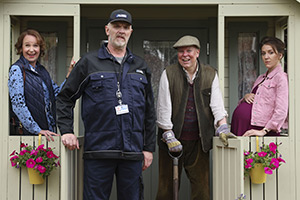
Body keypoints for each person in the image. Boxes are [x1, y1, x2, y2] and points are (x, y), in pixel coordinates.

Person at [56, 9, 156, 200]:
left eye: (125, 27)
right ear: (107, 30)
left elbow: (149, 110)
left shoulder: (140, 66)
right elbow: (65, 98)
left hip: (132, 151)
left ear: (130, 32)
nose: (121, 31)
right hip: (99, 151)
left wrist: (148, 147)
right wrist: (66, 130)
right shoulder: (88, 63)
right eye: (116, 26)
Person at [156, 35, 235, 200]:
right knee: (166, 190)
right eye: (181, 51)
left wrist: (222, 126)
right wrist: (168, 134)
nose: (185, 55)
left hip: (199, 143)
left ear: (197, 52)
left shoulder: (210, 74)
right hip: (171, 141)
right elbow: (163, 108)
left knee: (201, 191)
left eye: (189, 51)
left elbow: (217, 105)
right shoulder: (168, 74)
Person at [8, 29, 74, 141]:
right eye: (27, 45)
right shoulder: (17, 69)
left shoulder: (42, 71)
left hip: (48, 133)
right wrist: (37, 129)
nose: (31, 50)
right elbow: (18, 104)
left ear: (40, 48)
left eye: (35, 45)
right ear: (21, 48)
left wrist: (69, 75)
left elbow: (58, 94)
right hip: (30, 136)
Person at [231, 36, 288, 137]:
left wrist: (264, 131)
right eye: (263, 53)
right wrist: (246, 97)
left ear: (280, 55)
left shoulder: (281, 78)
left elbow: (281, 110)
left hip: (259, 130)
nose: (266, 57)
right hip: (242, 125)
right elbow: (256, 102)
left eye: (271, 52)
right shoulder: (261, 78)